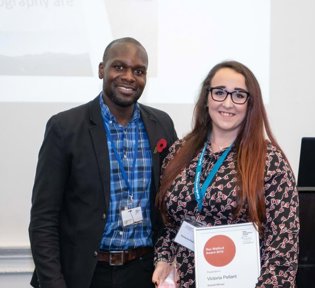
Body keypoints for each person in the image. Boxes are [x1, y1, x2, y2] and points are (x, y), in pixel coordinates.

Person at [29, 37, 178, 288]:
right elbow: (44, 218)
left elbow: (170, 204)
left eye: (138, 71)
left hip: (145, 273)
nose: (129, 77)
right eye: (119, 67)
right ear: (102, 70)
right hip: (86, 275)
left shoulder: (161, 125)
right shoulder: (65, 128)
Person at [152, 60, 299, 288]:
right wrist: (163, 260)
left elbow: (282, 248)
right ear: (207, 98)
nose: (228, 103)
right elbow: (171, 225)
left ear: (250, 103)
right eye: (219, 92)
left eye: (239, 95)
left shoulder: (270, 162)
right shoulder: (178, 153)